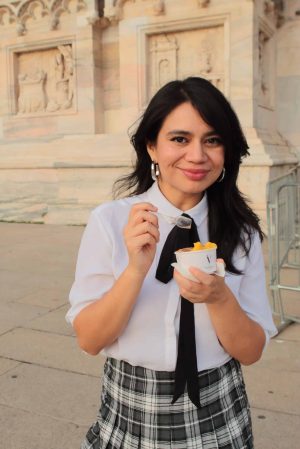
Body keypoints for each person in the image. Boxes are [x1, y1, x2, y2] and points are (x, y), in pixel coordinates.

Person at [66, 77, 278, 449]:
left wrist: (219, 297)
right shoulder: (111, 221)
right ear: (151, 147)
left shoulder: (240, 232)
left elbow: (251, 351)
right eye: (180, 139)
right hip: (131, 405)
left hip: (218, 405)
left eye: (212, 140)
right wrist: (135, 270)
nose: (197, 156)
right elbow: (90, 339)